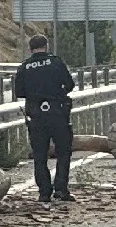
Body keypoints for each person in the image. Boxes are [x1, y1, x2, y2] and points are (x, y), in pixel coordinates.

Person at [10, 34, 78, 201]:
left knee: (40, 156)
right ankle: (61, 189)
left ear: (30, 49)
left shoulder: (24, 67)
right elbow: (69, 84)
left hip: (36, 116)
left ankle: (44, 193)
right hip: (58, 113)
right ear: (46, 46)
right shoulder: (56, 62)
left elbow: (19, 92)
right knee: (63, 152)